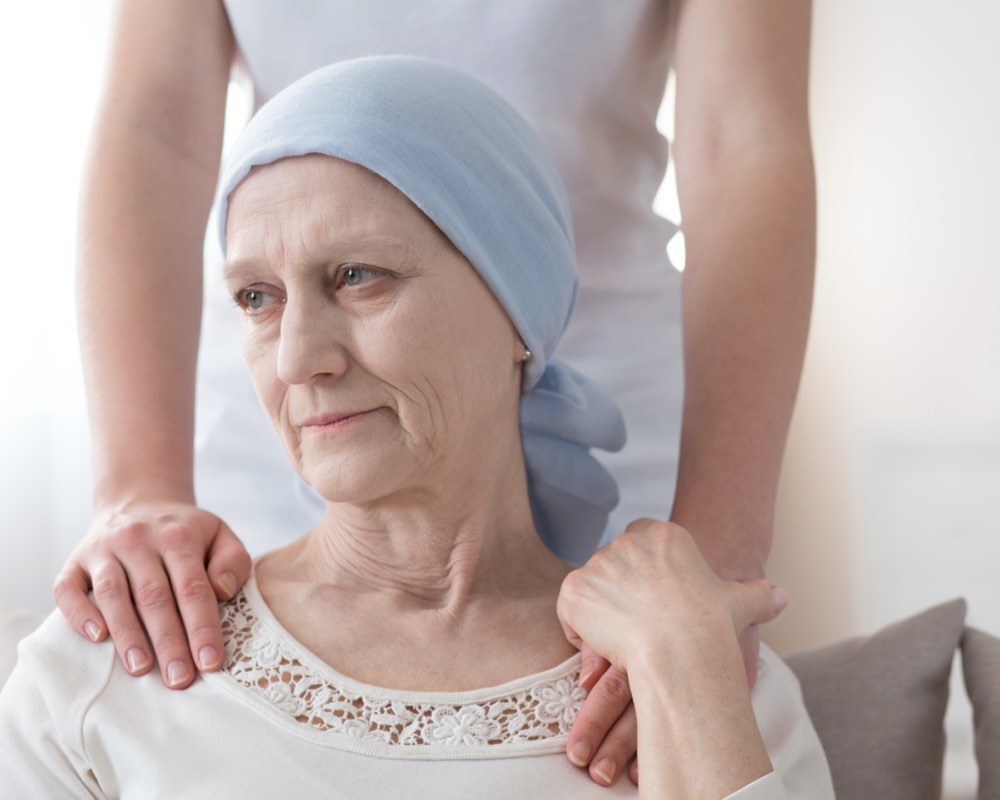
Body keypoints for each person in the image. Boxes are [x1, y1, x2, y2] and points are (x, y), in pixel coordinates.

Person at [1, 58, 833, 798]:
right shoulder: (111, 662)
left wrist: (688, 668)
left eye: (358, 277)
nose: (297, 358)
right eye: (257, 297)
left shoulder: (694, 665)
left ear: (519, 313)